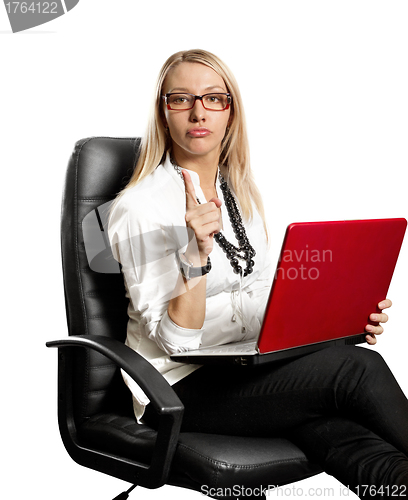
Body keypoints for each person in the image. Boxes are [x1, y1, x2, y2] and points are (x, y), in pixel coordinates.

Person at [108, 49, 408, 497]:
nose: (198, 112)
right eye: (181, 99)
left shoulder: (239, 192)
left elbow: (262, 292)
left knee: (345, 437)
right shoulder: (138, 208)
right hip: (176, 391)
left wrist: (337, 318)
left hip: (246, 362)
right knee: (356, 371)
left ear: (231, 112)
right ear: (163, 112)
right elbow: (176, 343)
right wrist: (195, 255)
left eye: (213, 99)